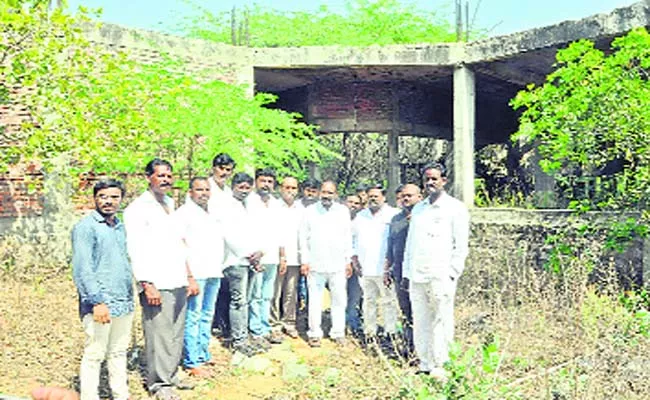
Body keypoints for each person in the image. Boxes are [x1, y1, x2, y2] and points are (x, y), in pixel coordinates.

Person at [123, 158, 195, 400]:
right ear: (148, 178)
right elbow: (135, 248)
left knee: (175, 330)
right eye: (160, 175)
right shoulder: (137, 209)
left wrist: (189, 275)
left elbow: (180, 242)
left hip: (177, 278)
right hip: (156, 281)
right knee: (158, 333)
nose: (166, 179)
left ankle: (172, 375)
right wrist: (146, 283)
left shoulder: (171, 204)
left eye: (168, 175)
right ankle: (159, 384)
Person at [403, 162, 469, 380]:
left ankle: (442, 364)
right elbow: (411, 243)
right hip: (417, 274)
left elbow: (461, 246)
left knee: (441, 319)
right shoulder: (419, 208)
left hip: (441, 275)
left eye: (434, 178)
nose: (430, 182)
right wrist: (407, 271)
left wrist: (452, 273)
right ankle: (425, 363)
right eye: (427, 179)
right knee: (420, 319)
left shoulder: (455, 208)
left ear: (444, 181)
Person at [71, 179, 133, 400]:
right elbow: (82, 269)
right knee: (95, 354)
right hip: (100, 304)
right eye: (103, 196)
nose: (108, 201)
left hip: (123, 301)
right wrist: (97, 301)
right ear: (95, 198)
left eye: (114, 197)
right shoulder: (85, 228)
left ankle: (121, 395)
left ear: (121, 199)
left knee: (117, 352)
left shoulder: (120, 226)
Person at [175, 177, 232, 378]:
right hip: (196, 274)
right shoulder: (183, 214)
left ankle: (203, 352)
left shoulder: (213, 213)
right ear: (190, 192)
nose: (204, 193)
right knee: (193, 315)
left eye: (207, 189)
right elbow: (179, 245)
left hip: (213, 271)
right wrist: (188, 276)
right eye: (199, 189)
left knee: (207, 315)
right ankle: (192, 361)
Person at [299, 180, 353, 347]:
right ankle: (314, 333)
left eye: (330, 192)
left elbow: (347, 237)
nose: (326, 195)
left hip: (337, 264)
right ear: (319, 193)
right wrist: (304, 261)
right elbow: (303, 237)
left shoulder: (343, 211)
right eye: (324, 192)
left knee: (339, 299)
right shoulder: (310, 211)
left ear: (335, 194)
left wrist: (348, 261)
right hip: (315, 264)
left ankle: (338, 332)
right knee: (315, 300)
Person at [222, 172, 264, 357]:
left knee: (247, 300)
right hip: (235, 261)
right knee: (238, 301)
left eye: (248, 187)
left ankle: (245, 337)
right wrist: (248, 255)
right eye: (241, 187)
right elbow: (229, 236)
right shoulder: (226, 206)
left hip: (252, 261)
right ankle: (238, 340)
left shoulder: (251, 205)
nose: (244, 191)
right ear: (233, 187)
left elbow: (256, 231)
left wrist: (258, 252)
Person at [352, 184, 399, 348]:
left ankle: (390, 333)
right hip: (365, 269)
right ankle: (370, 333)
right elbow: (352, 239)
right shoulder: (360, 216)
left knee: (388, 302)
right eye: (370, 196)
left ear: (383, 197)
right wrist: (354, 259)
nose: (373, 198)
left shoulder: (393, 214)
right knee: (368, 301)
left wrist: (390, 266)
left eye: (376, 196)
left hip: (385, 268)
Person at [246, 168, 286, 347]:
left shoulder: (277, 204)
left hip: (272, 258)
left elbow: (280, 232)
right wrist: (252, 254)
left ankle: (265, 326)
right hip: (255, 258)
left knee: (267, 295)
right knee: (255, 295)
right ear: (256, 182)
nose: (266, 185)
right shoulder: (248, 202)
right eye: (263, 181)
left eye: (270, 182)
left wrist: (282, 256)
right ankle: (256, 330)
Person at [384, 183, 422, 358]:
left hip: (421, 274)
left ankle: (425, 351)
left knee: (422, 313)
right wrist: (387, 269)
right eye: (404, 196)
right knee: (406, 312)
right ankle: (410, 349)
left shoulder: (425, 217)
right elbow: (390, 246)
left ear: (419, 197)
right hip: (400, 274)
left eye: (410, 195)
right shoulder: (396, 219)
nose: (406, 199)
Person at [271, 176, 303, 339]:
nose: (290, 191)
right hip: (276, 258)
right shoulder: (274, 207)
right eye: (287, 187)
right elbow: (275, 233)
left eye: (293, 188)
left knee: (291, 292)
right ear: (280, 188)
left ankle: (289, 322)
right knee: (275, 292)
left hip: (295, 258)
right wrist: (281, 256)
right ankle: (273, 324)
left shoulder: (301, 209)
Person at [209, 153, 236, 339]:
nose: (224, 173)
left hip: (227, 246)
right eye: (221, 168)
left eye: (228, 170)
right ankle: (211, 324)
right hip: (207, 244)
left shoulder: (228, 192)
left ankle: (223, 323)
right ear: (214, 168)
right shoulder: (205, 188)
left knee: (225, 287)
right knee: (210, 287)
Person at [344, 192, 363, 336]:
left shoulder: (363, 220)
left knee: (355, 295)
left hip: (357, 265)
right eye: (350, 202)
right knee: (340, 295)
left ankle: (352, 324)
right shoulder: (336, 218)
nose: (353, 205)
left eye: (357, 203)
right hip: (340, 264)